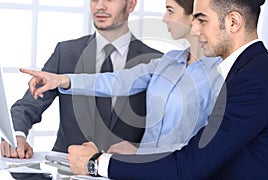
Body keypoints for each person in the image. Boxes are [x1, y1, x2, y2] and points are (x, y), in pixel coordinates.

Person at [63, 0, 268, 179]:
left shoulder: (254, 81)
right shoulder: (260, 70)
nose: (194, 30)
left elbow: (191, 165)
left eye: (202, 20)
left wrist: (97, 163)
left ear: (233, 22)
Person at [18, 0, 222, 155]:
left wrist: (137, 152)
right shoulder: (166, 62)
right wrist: (66, 80)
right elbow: (117, 81)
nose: (164, 18)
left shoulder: (220, 74)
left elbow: (209, 144)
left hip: (160, 169)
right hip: (86, 168)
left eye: (170, 10)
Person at [0, 0, 162, 158]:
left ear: (131, 4)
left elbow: (163, 131)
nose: (99, 6)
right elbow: (27, 107)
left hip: (126, 171)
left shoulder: (154, 61)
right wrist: (16, 137)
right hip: (67, 170)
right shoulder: (66, 52)